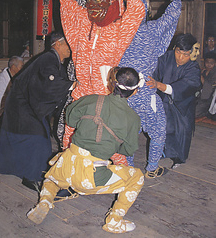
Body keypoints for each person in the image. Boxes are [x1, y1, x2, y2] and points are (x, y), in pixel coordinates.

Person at [27, 67, 144, 234]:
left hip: (68, 163)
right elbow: (128, 149)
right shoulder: (132, 118)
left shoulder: (90, 100)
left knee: (52, 178)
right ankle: (114, 221)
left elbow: (70, 119)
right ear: (134, 92)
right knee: (137, 177)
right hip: (92, 177)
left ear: (112, 84)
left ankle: (45, 201)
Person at [59, 0, 145, 165]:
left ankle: (123, 173)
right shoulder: (82, 21)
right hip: (82, 91)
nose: (95, 10)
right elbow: (68, 5)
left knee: (107, 138)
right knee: (70, 135)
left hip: (105, 94)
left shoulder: (118, 30)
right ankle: (68, 171)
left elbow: (137, 11)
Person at [0, 32, 74, 188]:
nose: (70, 48)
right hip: (23, 104)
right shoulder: (49, 58)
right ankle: (31, 176)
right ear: (57, 44)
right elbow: (51, 83)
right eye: (67, 44)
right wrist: (71, 85)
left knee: (27, 136)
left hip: (27, 104)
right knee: (39, 139)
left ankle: (16, 168)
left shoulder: (56, 61)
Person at [118, 0, 182, 178]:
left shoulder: (117, 30)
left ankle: (128, 168)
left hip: (121, 92)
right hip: (144, 91)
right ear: (146, 8)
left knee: (125, 132)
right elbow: (172, 15)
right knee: (158, 128)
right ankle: (152, 168)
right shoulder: (151, 30)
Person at [147, 33, 201, 169]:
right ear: (175, 48)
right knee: (165, 128)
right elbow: (154, 72)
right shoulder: (167, 57)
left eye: (186, 55)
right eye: (178, 52)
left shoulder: (193, 67)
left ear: (192, 54)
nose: (180, 58)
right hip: (164, 101)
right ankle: (165, 152)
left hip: (183, 105)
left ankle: (179, 158)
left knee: (181, 130)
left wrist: (159, 85)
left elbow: (188, 84)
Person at [0, 56, 24, 129]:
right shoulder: (2, 80)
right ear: (13, 67)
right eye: (21, 67)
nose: (23, 69)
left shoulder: (14, 76)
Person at [195, 52, 216, 118]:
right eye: (207, 62)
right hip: (198, 96)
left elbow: (209, 88)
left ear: (215, 64)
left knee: (195, 112)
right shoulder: (204, 71)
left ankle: (206, 113)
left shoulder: (214, 74)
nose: (209, 65)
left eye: (211, 63)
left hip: (208, 99)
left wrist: (201, 76)